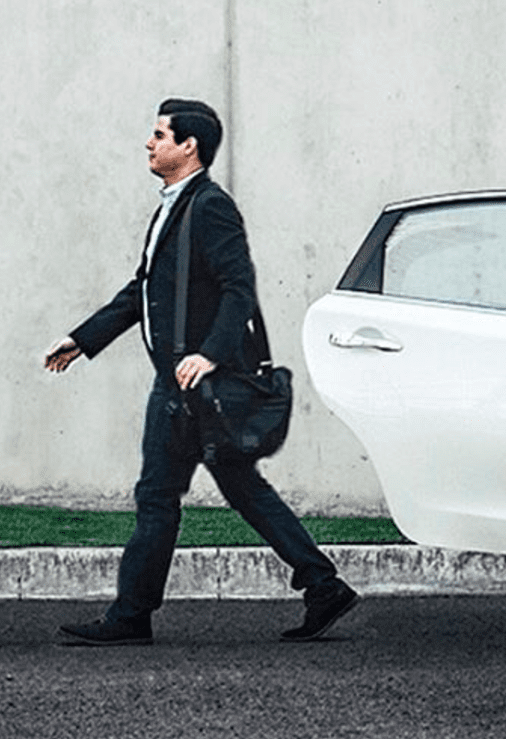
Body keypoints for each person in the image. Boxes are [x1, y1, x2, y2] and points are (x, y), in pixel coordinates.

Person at [44, 98, 358, 645]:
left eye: (160, 135)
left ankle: (131, 616)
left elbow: (239, 287)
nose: (149, 143)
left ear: (188, 146)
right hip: (183, 383)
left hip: (194, 384)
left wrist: (210, 353)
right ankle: (321, 584)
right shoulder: (175, 205)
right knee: (233, 488)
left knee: (160, 496)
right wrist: (83, 339)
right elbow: (142, 290)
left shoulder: (210, 207)